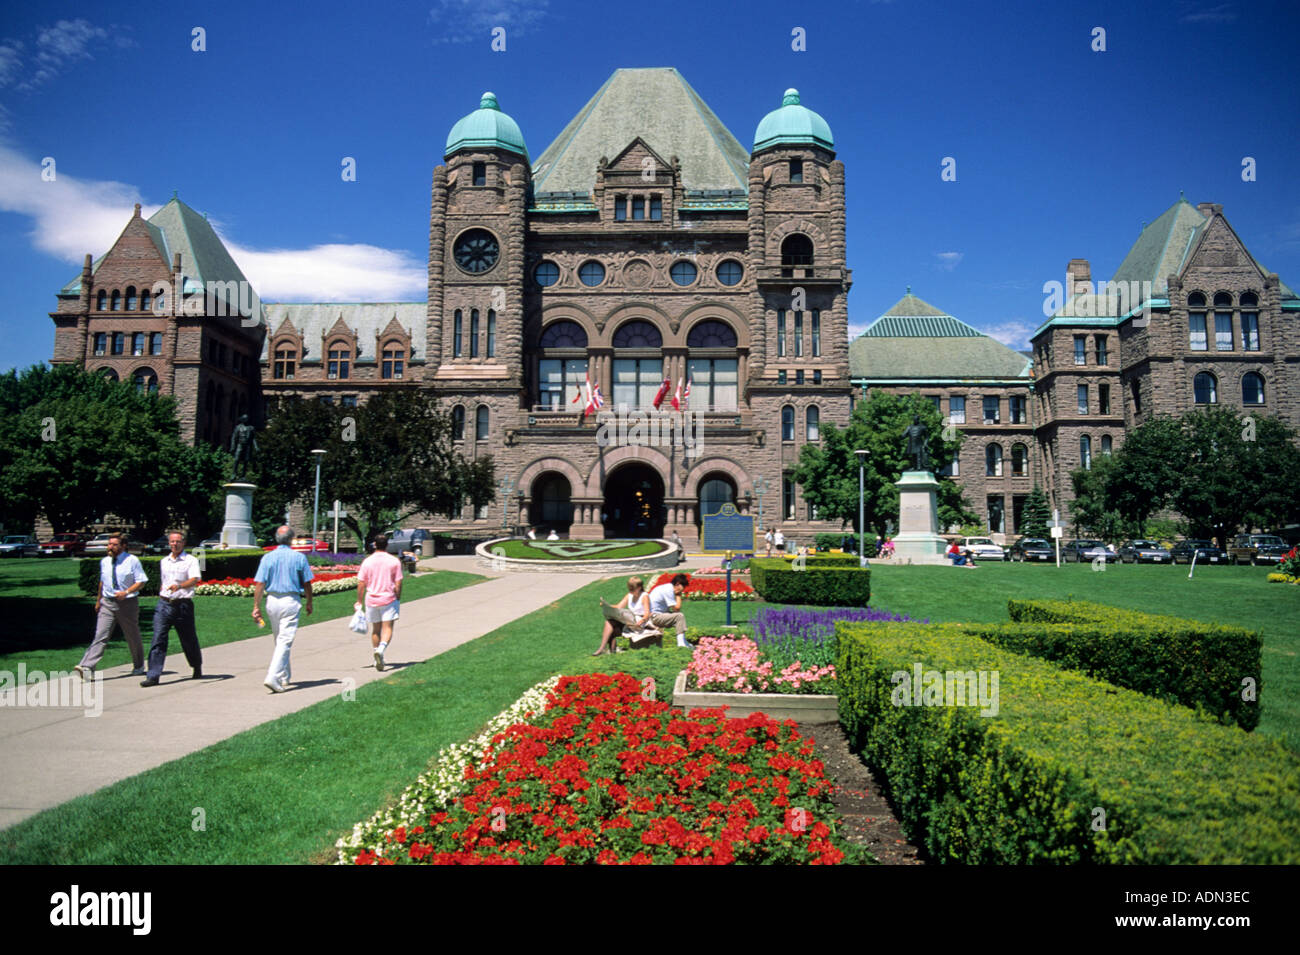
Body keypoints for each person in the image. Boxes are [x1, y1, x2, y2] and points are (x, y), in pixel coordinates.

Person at [74, 534, 147, 680]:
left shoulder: (132, 561)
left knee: (132, 636)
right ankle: (87, 667)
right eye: (109, 544)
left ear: (123, 546)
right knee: (101, 635)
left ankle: (138, 665)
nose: (110, 547)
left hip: (127, 604)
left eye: (114, 544)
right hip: (107, 603)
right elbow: (103, 582)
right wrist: (98, 600)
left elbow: (141, 581)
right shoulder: (105, 562)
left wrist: (126, 592)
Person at [251, 526, 314, 693]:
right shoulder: (299, 557)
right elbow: (307, 583)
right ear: (291, 539)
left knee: (280, 639)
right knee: (284, 641)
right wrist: (309, 601)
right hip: (290, 600)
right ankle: (273, 676)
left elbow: (260, 583)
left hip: (272, 600)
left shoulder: (267, 558)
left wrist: (256, 606)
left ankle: (285, 676)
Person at [140, 532, 203, 686]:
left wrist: (180, 586)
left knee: (188, 639)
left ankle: (196, 665)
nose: (175, 544)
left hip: (183, 605)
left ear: (184, 543)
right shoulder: (164, 561)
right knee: (158, 638)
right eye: (172, 542)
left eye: (178, 542)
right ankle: (153, 675)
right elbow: (164, 581)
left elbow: (195, 579)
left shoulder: (191, 560)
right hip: (164, 605)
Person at [356, 533, 403, 672]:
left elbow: (361, 583)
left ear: (374, 544)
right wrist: (398, 596)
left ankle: (376, 653)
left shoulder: (367, 561)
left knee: (376, 630)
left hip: (371, 599)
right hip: (388, 598)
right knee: (387, 628)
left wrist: (359, 601)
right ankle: (381, 650)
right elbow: (398, 582)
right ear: (387, 544)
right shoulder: (394, 561)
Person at [593, 576, 652, 656]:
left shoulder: (644, 596)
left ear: (639, 587)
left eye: (632, 589)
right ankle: (603, 648)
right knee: (609, 622)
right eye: (630, 589)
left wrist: (642, 621)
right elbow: (619, 607)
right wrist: (607, 605)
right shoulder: (629, 595)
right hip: (629, 620)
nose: (631, 591)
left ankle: (610, 651)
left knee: (612, 627)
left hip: (639, 622)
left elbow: (647, 614)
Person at [649, 573, 690, 648]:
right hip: (655, 617)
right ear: (677, 584)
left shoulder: (667, 587)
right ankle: (681, 644)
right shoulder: (668, 589)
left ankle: (683, 641)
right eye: (683, 586)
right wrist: (678, 596)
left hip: (658, 614)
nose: (683, 589)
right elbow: (676, 609)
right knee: (679, 616)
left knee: (679, 618)